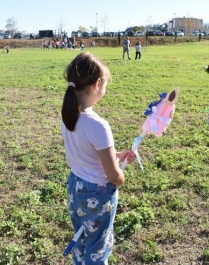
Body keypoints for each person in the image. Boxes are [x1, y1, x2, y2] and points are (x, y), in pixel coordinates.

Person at [61, 52, 137, 265]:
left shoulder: (69, 116)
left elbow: (87, 152)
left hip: (75, 187)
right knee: (97, 246)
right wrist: (121, 176)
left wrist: (117, 154)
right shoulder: (98, 125)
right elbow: (114, 176)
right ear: (97, 84)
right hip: (97, 193)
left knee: (82, 237)